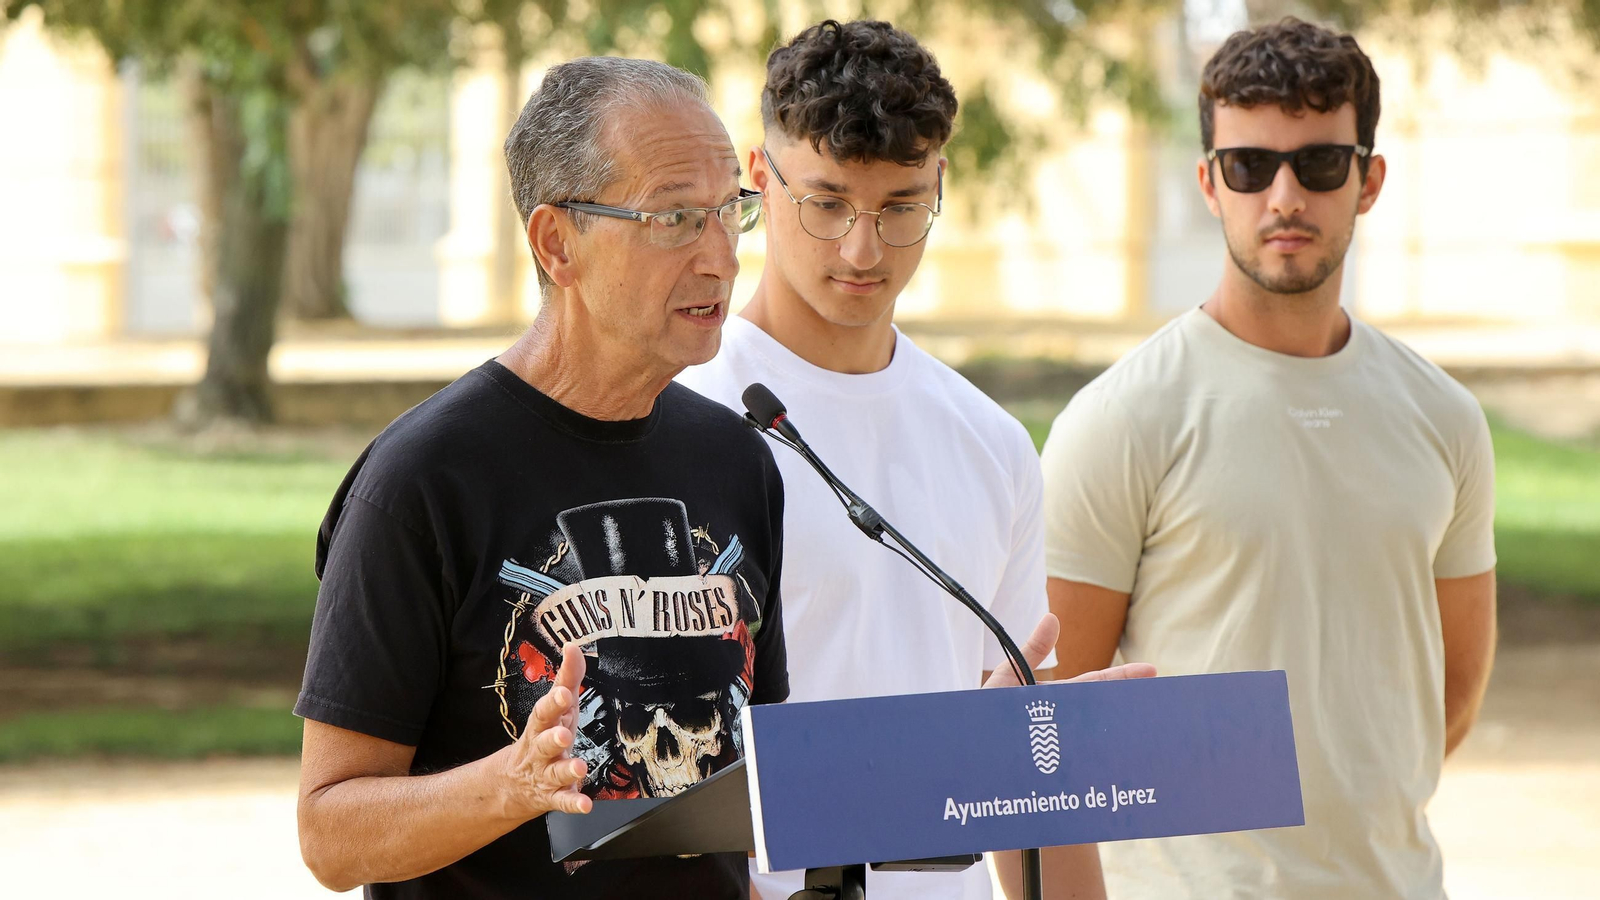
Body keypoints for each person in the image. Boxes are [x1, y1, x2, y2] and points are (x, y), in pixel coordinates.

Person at [293, 57, 788, 899]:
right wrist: (511, 786)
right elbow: (330, 835)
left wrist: (969, 733)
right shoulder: (420, 483)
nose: (720, 258)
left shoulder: (738, 459)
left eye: (727, 213)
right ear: (558, 243)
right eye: (674, 217)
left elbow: (763, 774)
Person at [1040, 18, 1497, 900]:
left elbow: (1450, 695)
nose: (1285, 196)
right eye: (1250, 166)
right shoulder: (1121, 419)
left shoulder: (1445, 417)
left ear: (1368, 181)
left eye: (1319, 164)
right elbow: (1053, 727)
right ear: (1210, 184)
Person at [678, 19, 1108, 900]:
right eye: (827, 204)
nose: (862, 249)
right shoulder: (680, 420)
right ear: (760, 178)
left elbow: (1032, 767)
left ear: (939, 183)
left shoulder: (992, 441)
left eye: (901, 206)